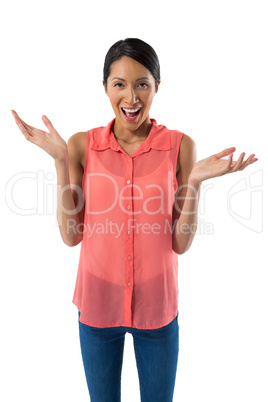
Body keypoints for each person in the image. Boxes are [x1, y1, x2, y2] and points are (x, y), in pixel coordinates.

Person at [11, 38, 258, 402]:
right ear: (105, 87)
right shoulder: (82, 145)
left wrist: (194, 183)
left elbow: (180, 244)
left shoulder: (180, 145)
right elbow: (70, 235)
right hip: (97, 306)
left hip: (157, 310)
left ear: (157, 86)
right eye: (120, 84)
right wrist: (60, 161)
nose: (132, 98)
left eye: (143, 83)